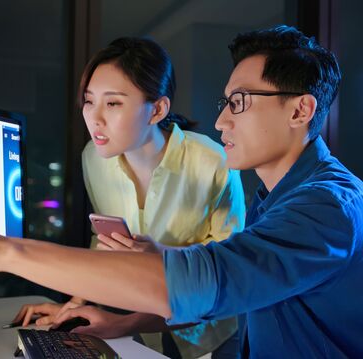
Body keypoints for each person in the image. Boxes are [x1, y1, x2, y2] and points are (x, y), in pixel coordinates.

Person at [0, 25, 363, 357]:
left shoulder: (325, 207)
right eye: (225, 103)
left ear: (300, 110)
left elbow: (207, 283)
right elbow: (235, 288)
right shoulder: (277, 198)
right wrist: (125, 319)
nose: (221, 121)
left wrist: (2, 250)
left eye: (239, 103)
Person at [13, 37, 246, 358]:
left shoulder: (211, 161)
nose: (94, 118)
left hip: (210, 333)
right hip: (140, 325)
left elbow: (227, 275)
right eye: (89, 101)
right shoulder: (93, 158)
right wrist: (74, 306)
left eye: (113, 103)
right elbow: (105, 243)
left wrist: (158, 266)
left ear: (157, 110)